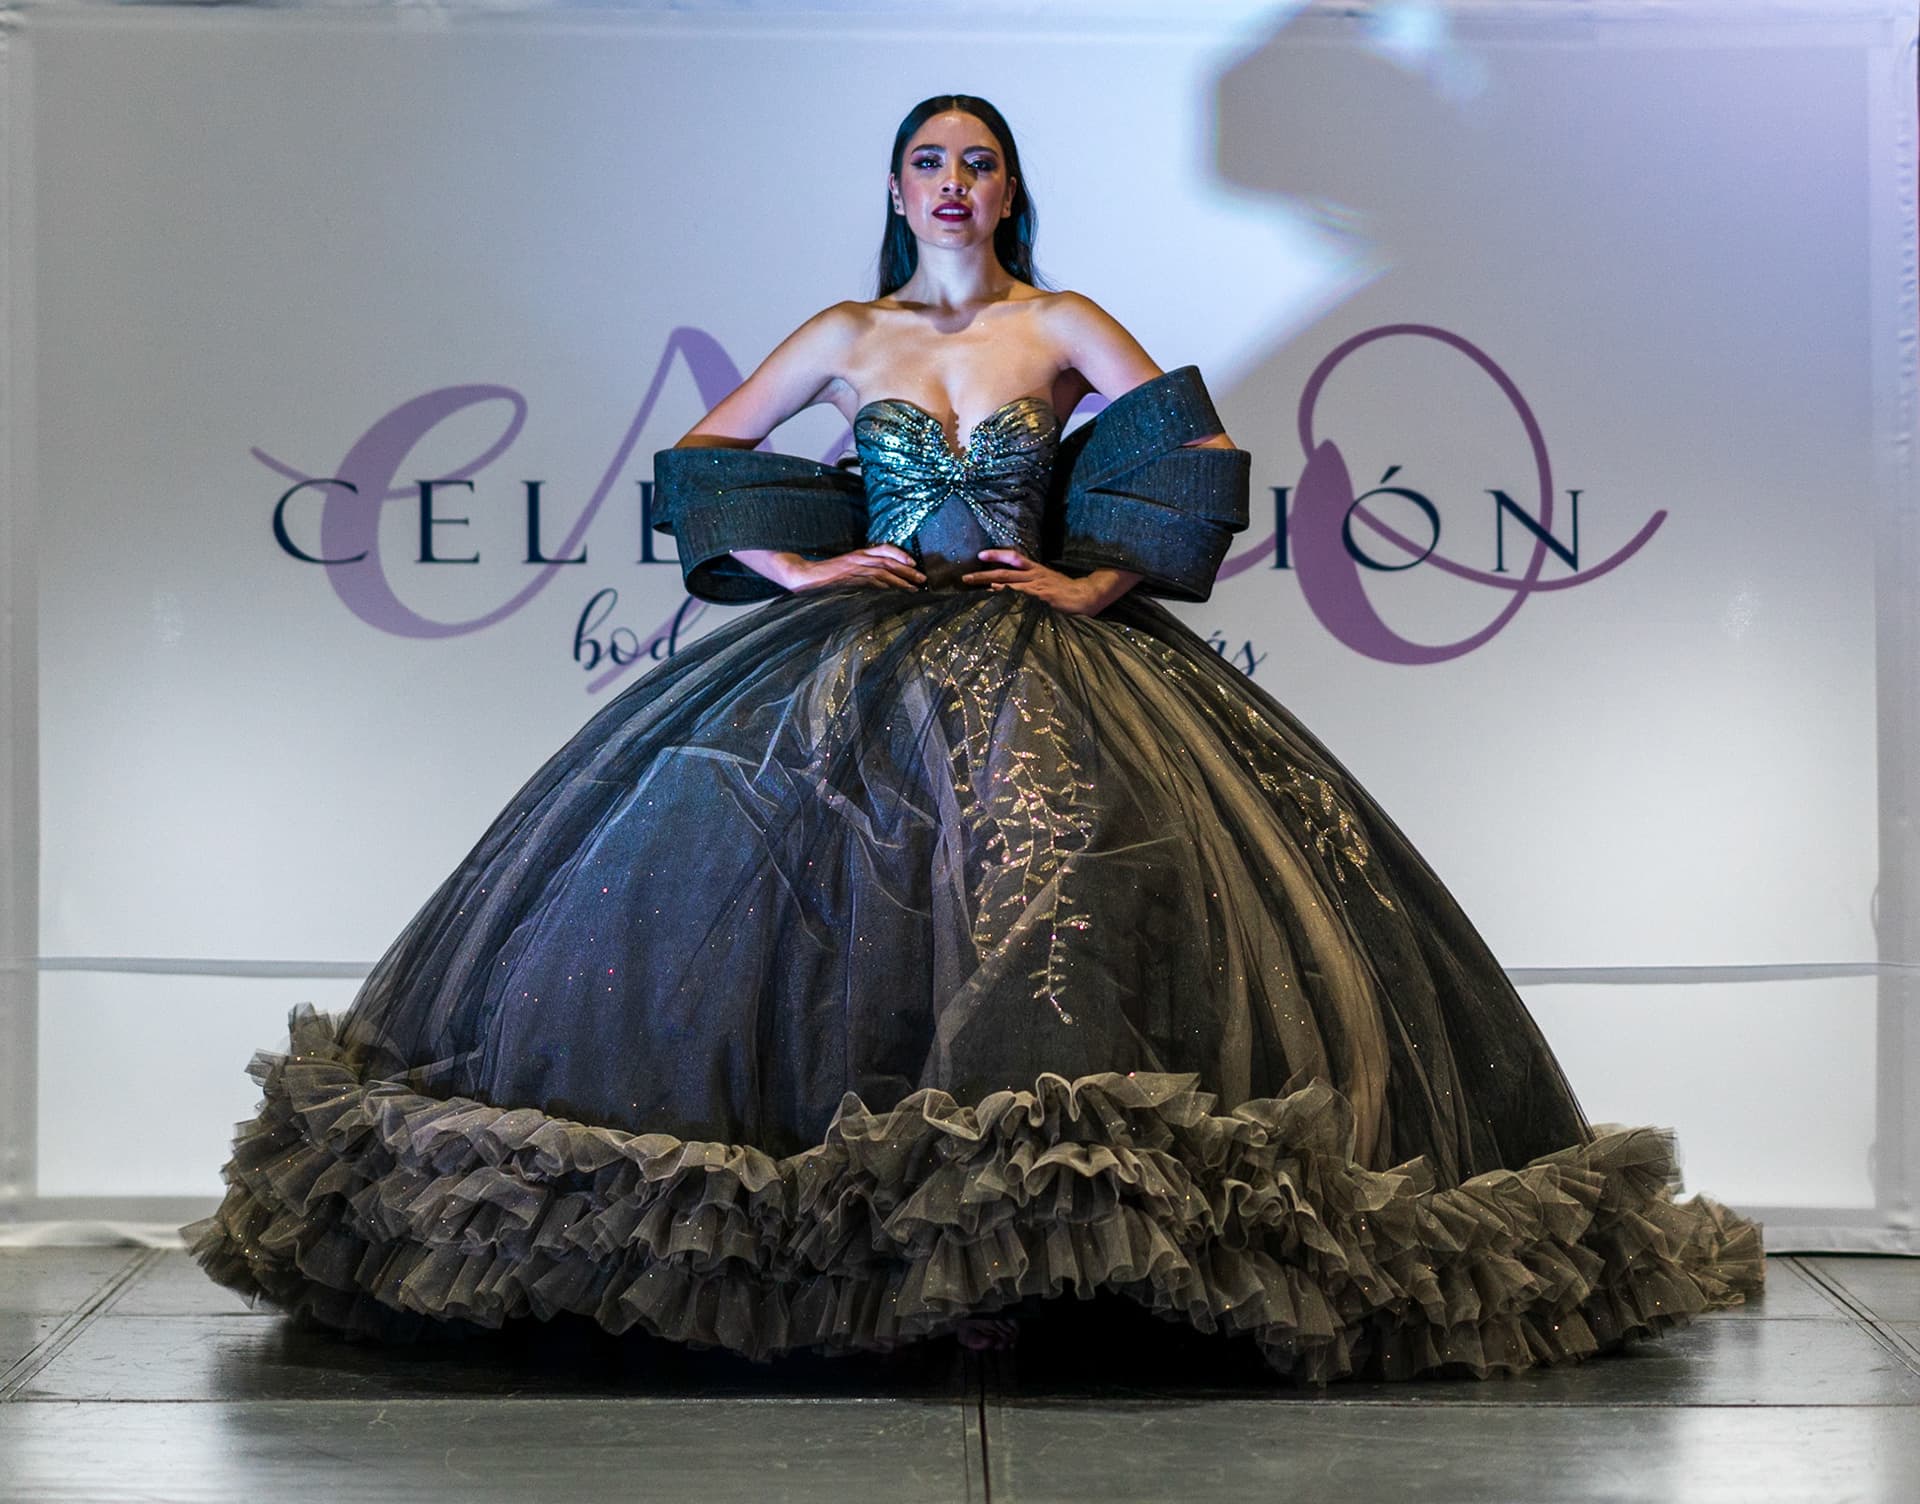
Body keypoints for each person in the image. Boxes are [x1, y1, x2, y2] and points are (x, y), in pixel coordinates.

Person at [181, 93, 1764, 1383]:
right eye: (931, 161)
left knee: (1041, 921)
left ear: (1010, 190)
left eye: (979, 162)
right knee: (822, 945)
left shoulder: (1059, 318)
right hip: (856, 654)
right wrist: (801, 563)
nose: (954, 183)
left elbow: (1198, 457)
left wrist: (1095, 574)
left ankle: (1075, 1264)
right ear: (896, 183)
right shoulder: (845, 329)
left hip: (1040, 652)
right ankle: (848, 1258)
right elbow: (698, 453)